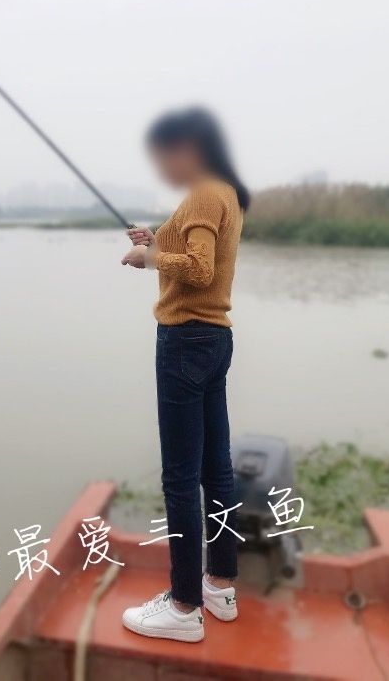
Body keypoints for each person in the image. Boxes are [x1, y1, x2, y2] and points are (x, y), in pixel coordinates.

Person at [120, 107, 250, 643]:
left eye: (167, 154)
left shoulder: (202, 193)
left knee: (179, 478)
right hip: (215, 341)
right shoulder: (226, 193)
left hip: (184, 341)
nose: (164, 166)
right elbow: (201, 257)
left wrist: (146, 258)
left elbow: (198, 268)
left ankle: (183, 606)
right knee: (216, 470)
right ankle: (219, 585)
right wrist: (157, 241)